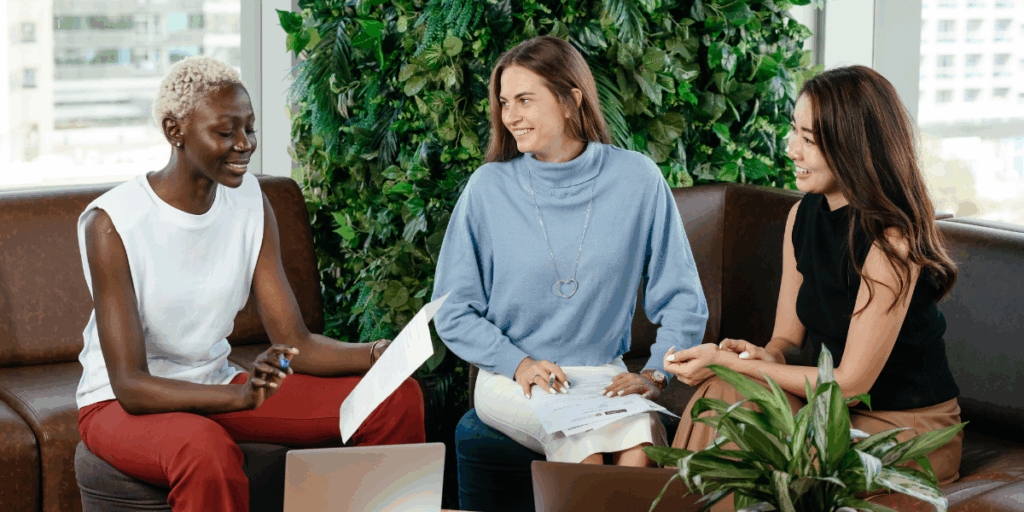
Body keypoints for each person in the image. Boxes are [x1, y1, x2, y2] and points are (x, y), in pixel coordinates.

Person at [75, 56, 425, 512]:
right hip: (122, 405)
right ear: (174, 130)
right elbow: (130, 385)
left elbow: (295, 341)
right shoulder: (111, 222)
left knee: (394, 398)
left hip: (220, 382)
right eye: (225, 132)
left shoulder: (249, 201)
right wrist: (238, 396)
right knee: (206, 452)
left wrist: (383, 354)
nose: (244, 145)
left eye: (250, 129)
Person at [666, 65, 963, 486]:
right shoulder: (801, 217)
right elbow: (786, 341)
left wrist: (730, 364)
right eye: (794, 132)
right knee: (723, 395)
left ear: (854, 147)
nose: (791, 150)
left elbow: (848, 385)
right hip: (832, 413)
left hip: (902, 427)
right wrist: (759, 357)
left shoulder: (890, 240)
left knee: (743, 412)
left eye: (809, 140)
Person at [431, 36, 709, 466]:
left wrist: (655, 373)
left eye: (524, 99)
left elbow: (683, 299)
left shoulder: (638, 179)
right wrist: (517, 362)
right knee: (586, 446)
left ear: (570, 100)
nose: (511, 116)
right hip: (513, 377)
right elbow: (452, 309)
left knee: (641, 445)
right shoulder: (488, 188)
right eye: (505, 102)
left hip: (602, 372)